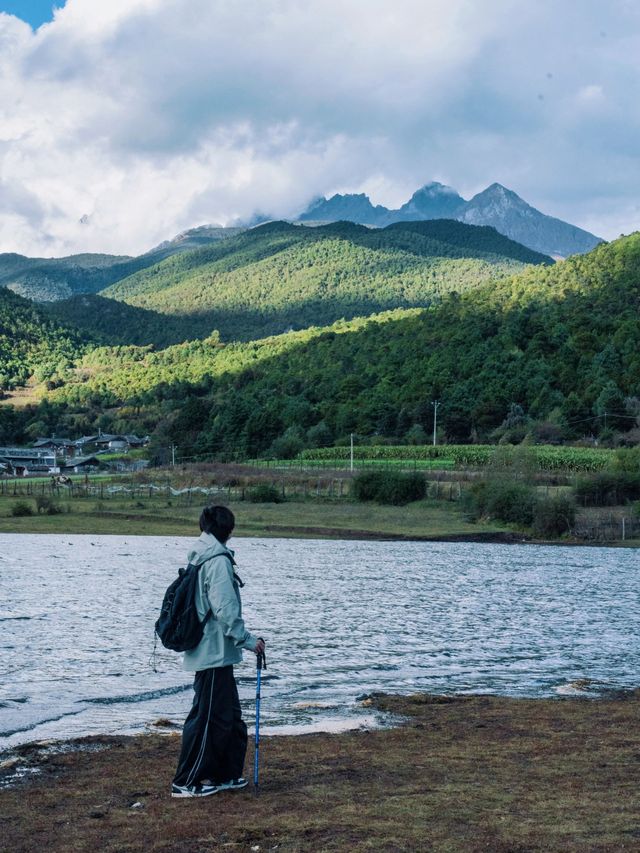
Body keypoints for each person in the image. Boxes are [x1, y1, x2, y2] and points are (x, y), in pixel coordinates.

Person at [172, 505, 265, 798]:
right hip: (212, 653)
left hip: (217, 653)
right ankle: (186, 782)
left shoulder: (203, 555)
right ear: (228, 530)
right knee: (206, 717)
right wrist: (249, 641)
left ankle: (224, 774)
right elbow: (226, 610)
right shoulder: (217, 561)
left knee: (228, 717)